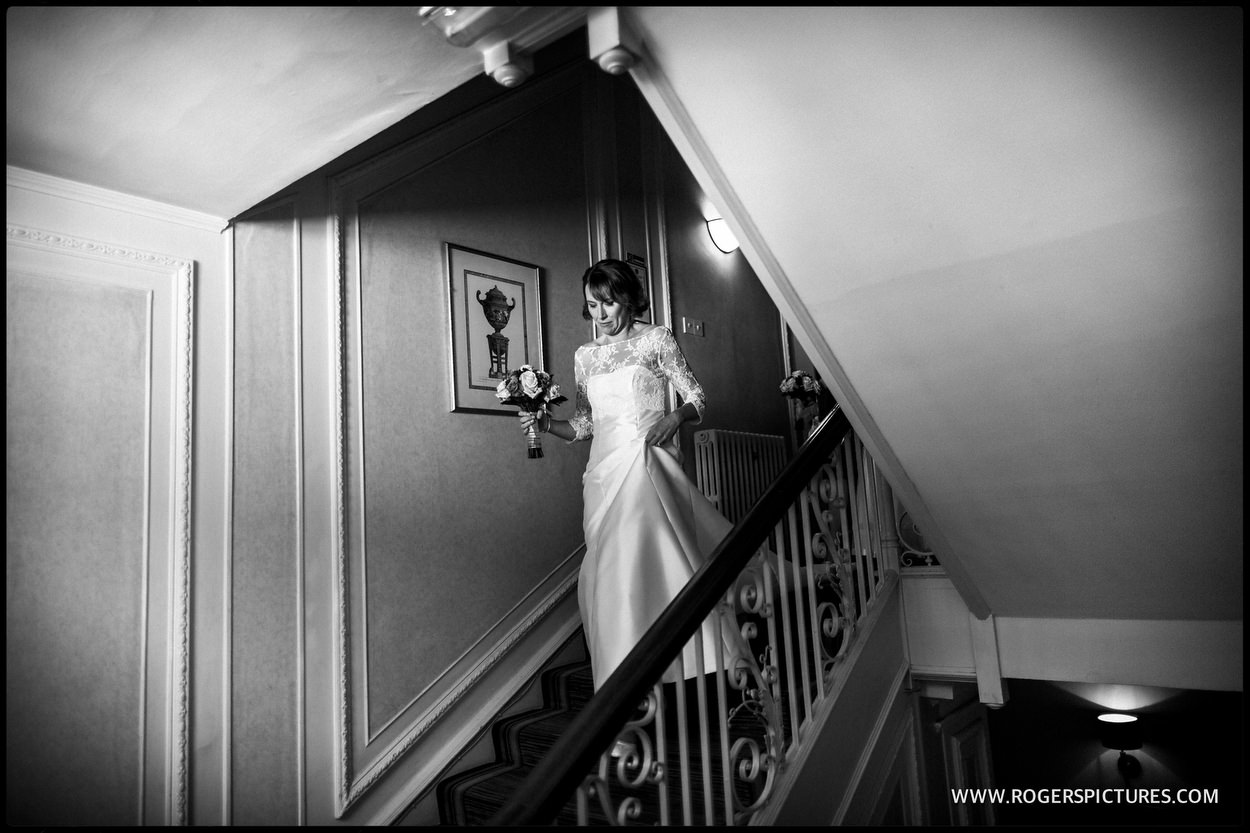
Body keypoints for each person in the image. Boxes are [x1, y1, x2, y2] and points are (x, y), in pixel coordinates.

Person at [517, 259, 740, 703]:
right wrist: (546, 424)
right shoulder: (585, 357)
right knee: (604, 572)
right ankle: (634, 676)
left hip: (645, 461)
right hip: (602, 472)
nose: (600, 315)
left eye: (608, 303)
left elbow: (697, 397)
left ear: (628, 298)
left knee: (631, 564)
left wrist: (675, 417)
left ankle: (625, 691)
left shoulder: (656, 339)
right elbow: (584, 423)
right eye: (591, 306)